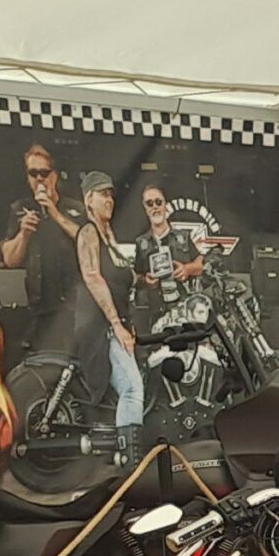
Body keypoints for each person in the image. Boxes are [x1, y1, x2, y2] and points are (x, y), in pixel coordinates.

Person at [72, 172, 145, 432]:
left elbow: (121, 275)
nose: (109, 200)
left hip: (117, 324)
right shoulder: (88, 232)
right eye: (103, 194)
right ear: (88, 199)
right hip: (100, 329)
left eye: (111, 195)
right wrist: (116, 324)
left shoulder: (108, 236)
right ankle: (129, 452)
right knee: (132, 389)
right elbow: (93, 277)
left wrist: (144, 279)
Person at [0, 142, 84, 358]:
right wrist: (23, 234)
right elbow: (10, 260)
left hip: (73, 306)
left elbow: (88, 242)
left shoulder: (74, 208)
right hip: (38, 308)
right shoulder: (20, 209)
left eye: (44, 173)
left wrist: (54, 212)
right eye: (33, 173)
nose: (39, 179)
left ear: (55, 175)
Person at [132, 179, 207, 333]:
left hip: (184, 310)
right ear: (145, 208)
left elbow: (201, 264)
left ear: (165, 205)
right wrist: (146, 281)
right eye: (149, 203)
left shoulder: (183, 237)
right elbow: (136, 276)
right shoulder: (141, 243)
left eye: (158, 202)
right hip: (156, 312)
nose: (155, 207)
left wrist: (187, 269)